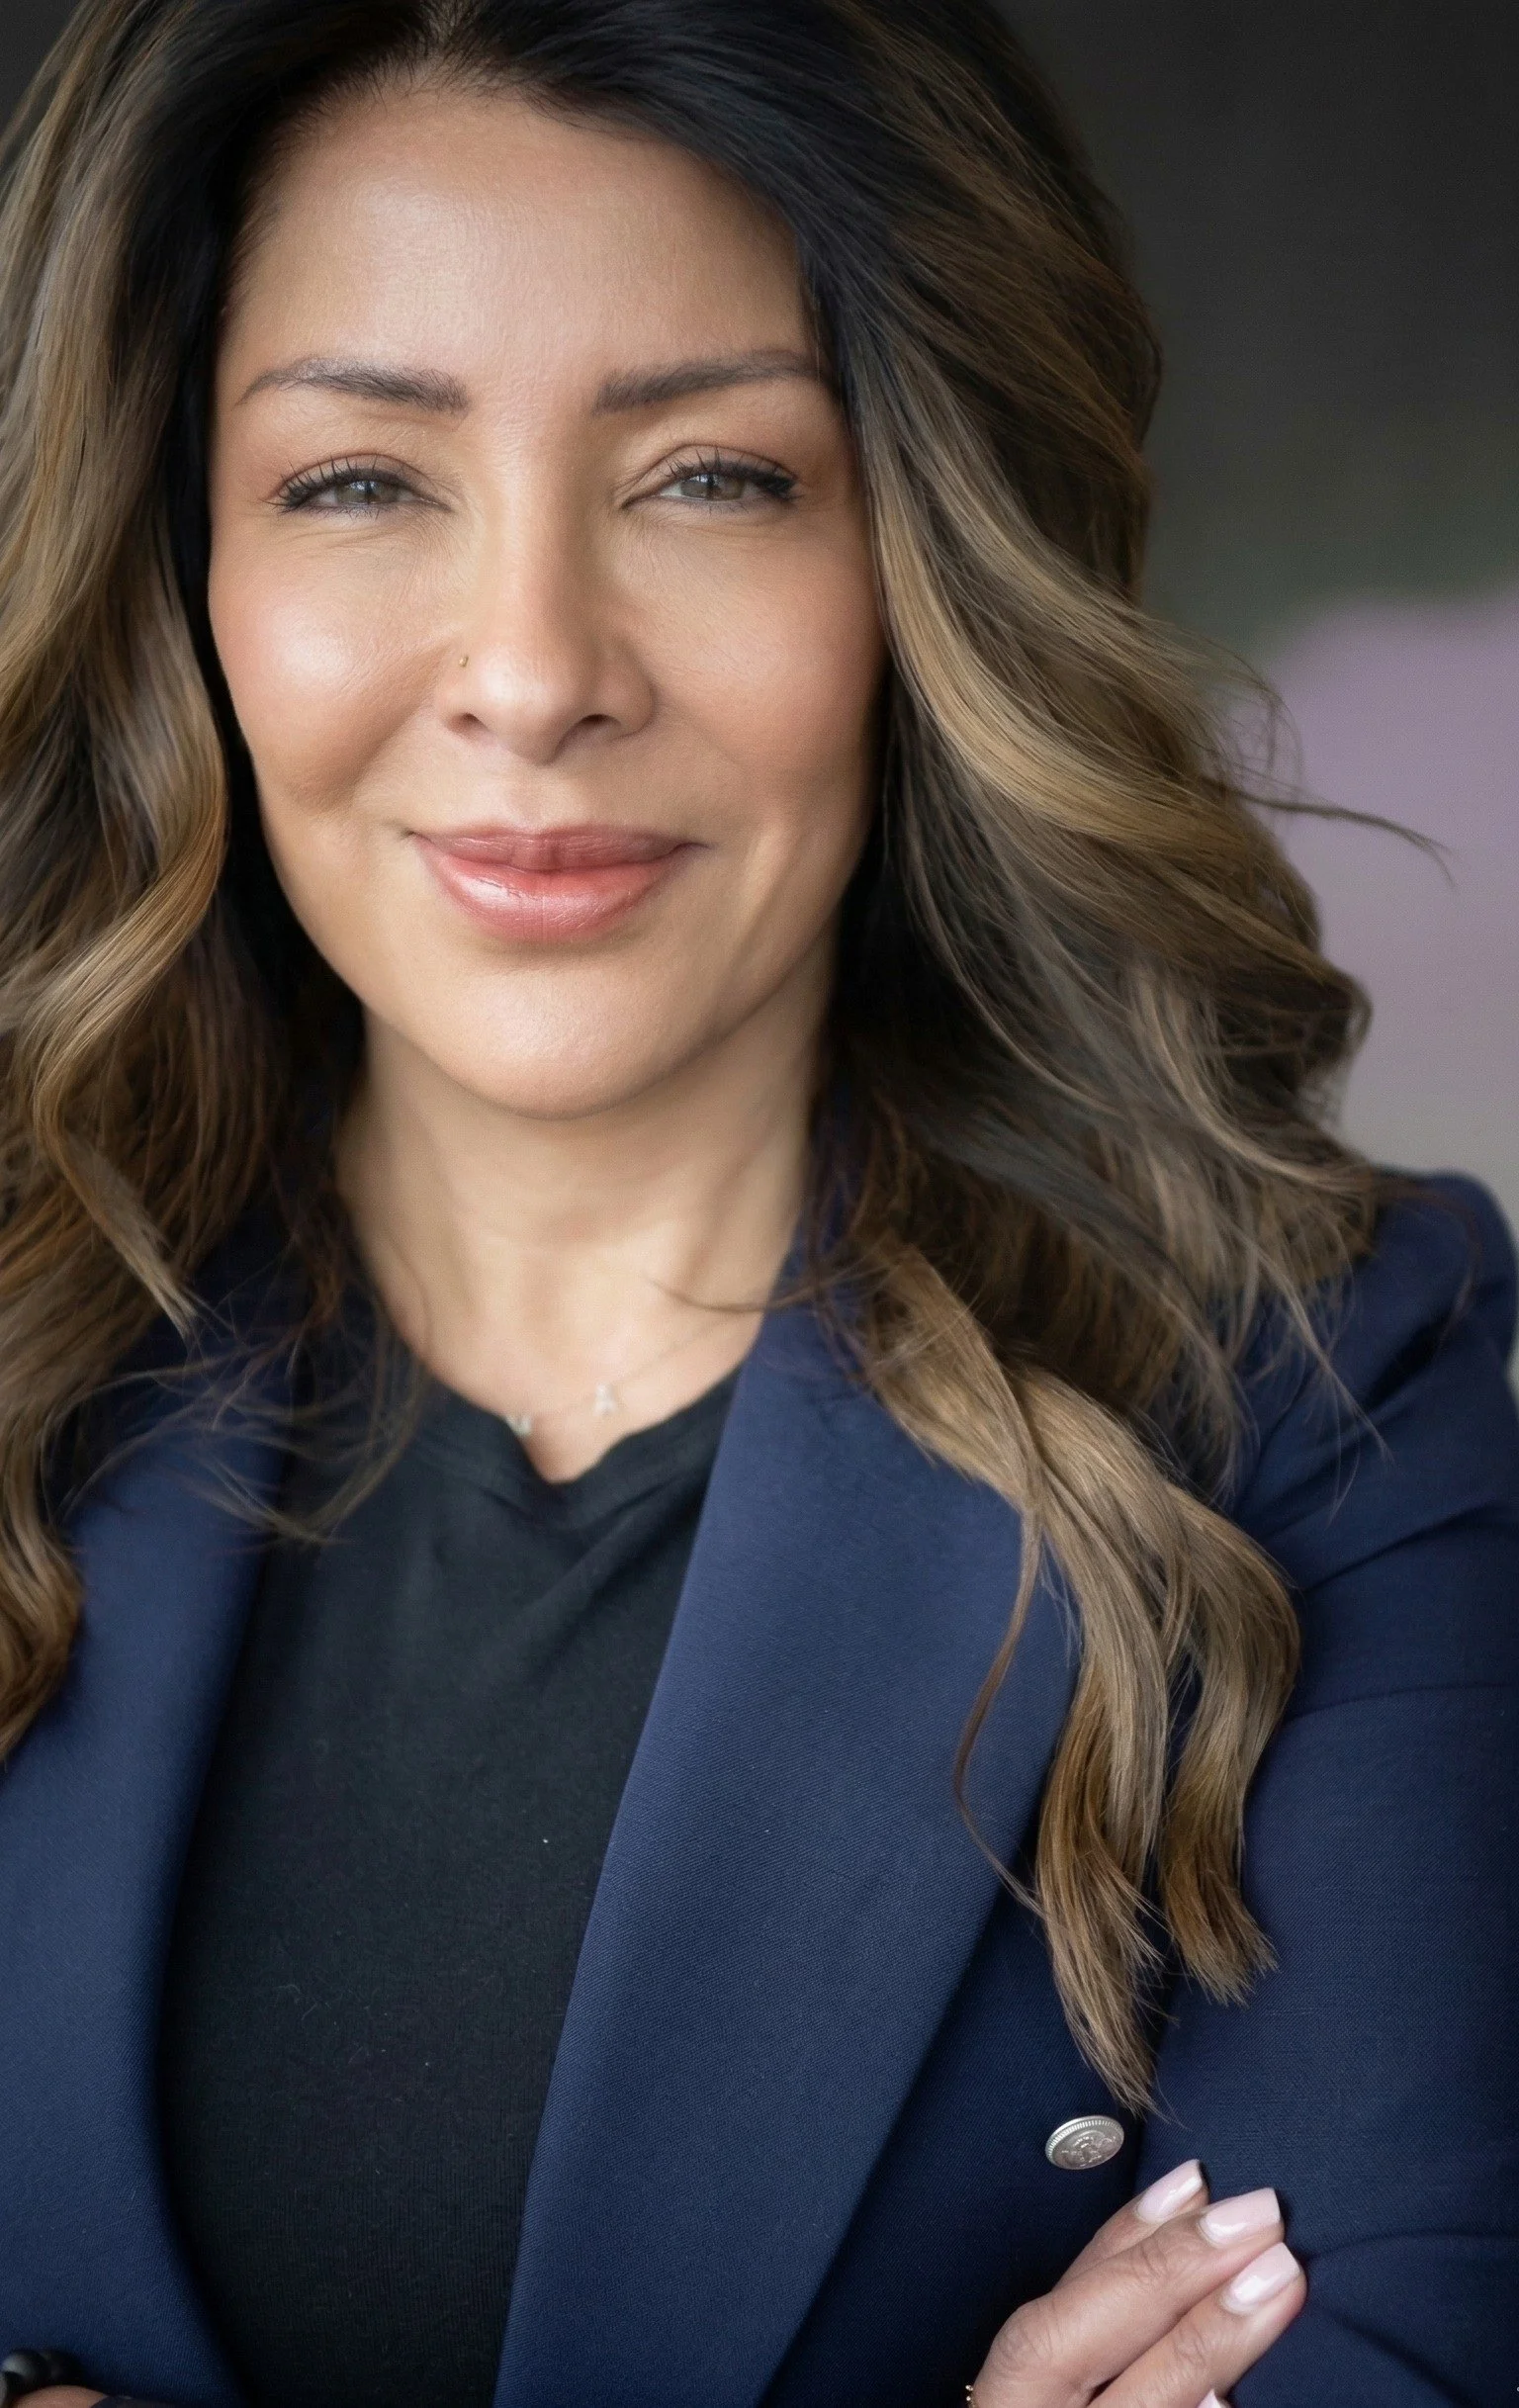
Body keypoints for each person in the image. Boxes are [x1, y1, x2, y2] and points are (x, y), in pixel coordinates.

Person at [0, 2, 1514, 2403]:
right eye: (360, 480)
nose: (534, 674)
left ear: (925, 549)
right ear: (178, 563)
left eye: (711, 475)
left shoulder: (1321, 1393)